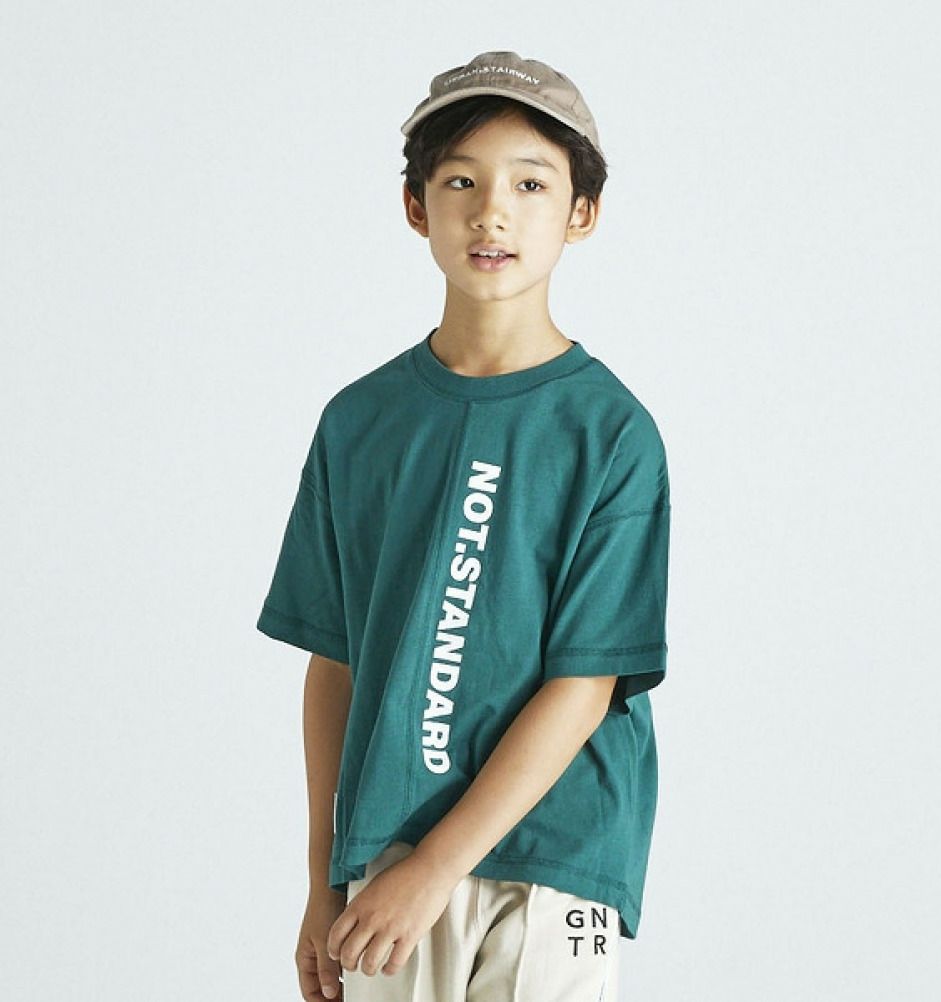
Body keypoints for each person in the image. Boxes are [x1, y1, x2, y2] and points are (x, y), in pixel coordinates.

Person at [256, 49, 672, 1002]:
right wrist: (325, 877)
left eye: (531, 184)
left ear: (581, 213)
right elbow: (334, 660)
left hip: (554, 853)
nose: (493, 212)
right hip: (388, 853)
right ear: (416, 207)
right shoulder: (360, 422)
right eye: (460, 182)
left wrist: (441, 867)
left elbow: (587, 681)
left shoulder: (609, 433)